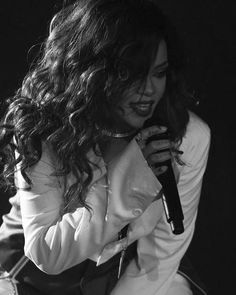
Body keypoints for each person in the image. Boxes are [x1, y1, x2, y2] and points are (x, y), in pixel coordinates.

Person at [0, 0, 211, 294]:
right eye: (130, 74)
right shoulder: (44, 128)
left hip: (114, 273)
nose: (149, 90)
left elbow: (162, 254)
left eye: (159, 73)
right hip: (29, 272)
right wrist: (131, 181)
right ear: (91, 73)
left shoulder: (188, 138)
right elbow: (45, 253)